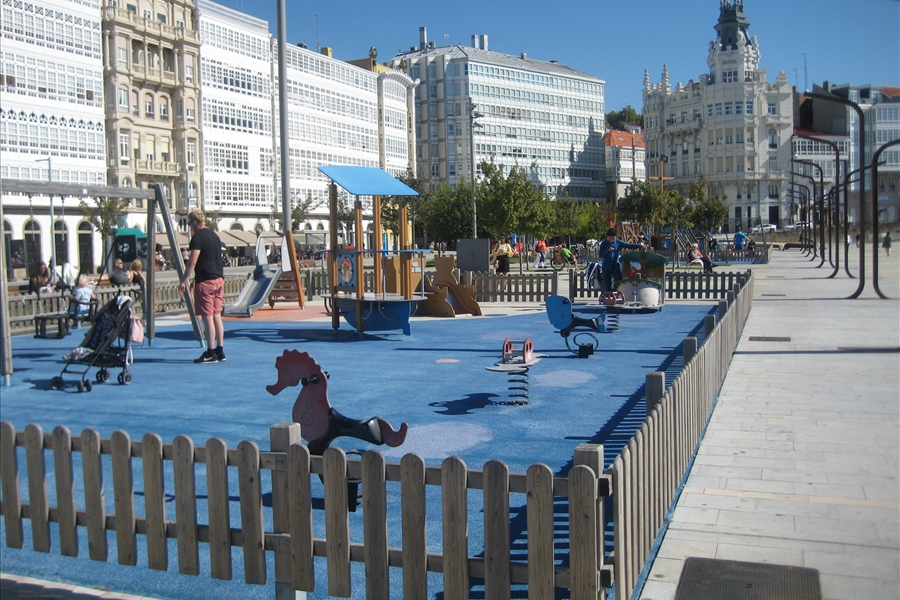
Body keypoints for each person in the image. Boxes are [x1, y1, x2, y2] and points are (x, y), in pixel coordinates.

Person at [179, 210, 226, 363]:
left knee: (208, 317)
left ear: (194, 222)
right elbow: (210, 260)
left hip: (206, 282)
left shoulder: (197, 238)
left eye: (189, 224)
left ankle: (210, 351)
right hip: (218, 279)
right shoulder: (215, 236)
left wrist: (184, 280)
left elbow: (193, 261)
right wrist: (196, 278)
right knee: (217, 315)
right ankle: (220, 350)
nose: (190, 227)